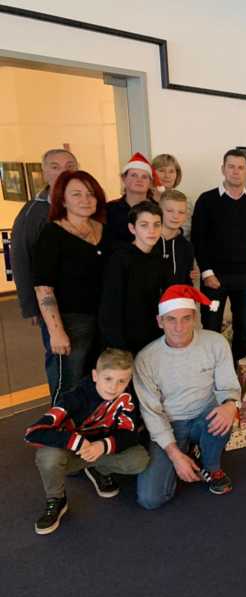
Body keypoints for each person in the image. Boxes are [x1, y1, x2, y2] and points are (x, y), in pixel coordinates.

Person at [135, 285, 240, 509]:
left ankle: (211, 465)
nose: (179, 327)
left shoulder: (215, 342)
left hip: (205, 416)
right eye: (171, 319)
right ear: (159, 321)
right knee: (150, 499)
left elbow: (228, 384)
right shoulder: (145, 359)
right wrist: (174, 455)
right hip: (171, 424)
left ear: (195, 318)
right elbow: (152, 413)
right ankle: (184, 452)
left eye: (186, 319)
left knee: (224, 415)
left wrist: (231, 405)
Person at [24, 348, 150, 535]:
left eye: (121, 381)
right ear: (95, 375)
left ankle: (98, 468)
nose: (113, 387)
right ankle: (57, 499)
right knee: (48, 456)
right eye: (108, 378)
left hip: (100, 450)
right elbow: (33, 432)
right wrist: (77, 442)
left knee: (140, 459)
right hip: (73, 452)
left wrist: (102, 445)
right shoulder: (74, 397)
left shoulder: (127, 398)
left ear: (128, 381)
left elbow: (131, 434)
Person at [33, 170, 110, 404]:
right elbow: (43, 288)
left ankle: (88, 431)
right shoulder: (52, 234)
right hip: (70, 322)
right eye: (76, 194)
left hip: (102, 320)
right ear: (63, 199)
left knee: (96, 379)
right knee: (69, 382)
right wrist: (56, 330)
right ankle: (61, 433)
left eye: (90, 194)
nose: (85, 200)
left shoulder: (102, 230)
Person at [191, 149, 246, 364]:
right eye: (231, 166)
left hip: (244, 278)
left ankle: (241, 371)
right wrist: (207, 272)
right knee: (211, 325)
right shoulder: (207, 200)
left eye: (240, 167)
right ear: (223, 169)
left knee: (242, 328)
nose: (236, 171)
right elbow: (198, 239)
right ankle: (209, 369)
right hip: (214, 280)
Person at [11, 149, 78, 399]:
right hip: (53, 304)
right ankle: (59, 419)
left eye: (70, 165)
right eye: (55, 166)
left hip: (84, 303)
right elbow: (20, 259)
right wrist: (31, 306)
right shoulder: (34, 212)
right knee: (61, 361)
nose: (63, 171)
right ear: (45, 171)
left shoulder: (85, 204)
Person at [99, 201, 168, 354]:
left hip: (152, 336)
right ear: (132, 228)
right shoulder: (119, 259)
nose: (152, 231)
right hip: (125, 340)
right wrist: (118, 345)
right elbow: (110, 307)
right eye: (144, 225)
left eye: (156, 225)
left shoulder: (159, 259)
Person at [105, 153, 162, 245]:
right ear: (124, 178)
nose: (139, 180)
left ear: (150, 182)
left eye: (144, 177)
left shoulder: (159, 209)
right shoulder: (109, 209)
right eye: (134, 175)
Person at [157, 189, 195, 285]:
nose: (175, 216)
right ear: (158, 212)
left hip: (177, 298)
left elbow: (187, 282)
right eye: (170, 211)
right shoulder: (148, 241)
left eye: (181, 212)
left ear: (186, 215)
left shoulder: (187, 247)